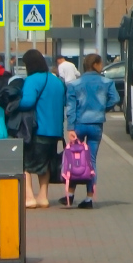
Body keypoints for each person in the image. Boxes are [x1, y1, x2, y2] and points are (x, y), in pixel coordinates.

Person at [63, 53, 118, 208]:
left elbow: (71, 108)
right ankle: (88, 198)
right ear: (95, 64)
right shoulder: (107, 82)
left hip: (79, 124)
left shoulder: (74, 84)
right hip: (96, 125)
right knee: (91, 160)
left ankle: (71, 194)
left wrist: (70, 128)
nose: (102, 66)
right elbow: (115, 99)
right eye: (100, 64)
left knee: (74, 159)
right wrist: (102, 110)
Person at [17, 49, 67, 209]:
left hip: (37, 130)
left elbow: (28, 102)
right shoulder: (56, 81)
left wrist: (13, 104)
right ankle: (43, 197)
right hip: (55, 131)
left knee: (25, 164)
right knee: (45, 164)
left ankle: (29, 197)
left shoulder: (32, 80)